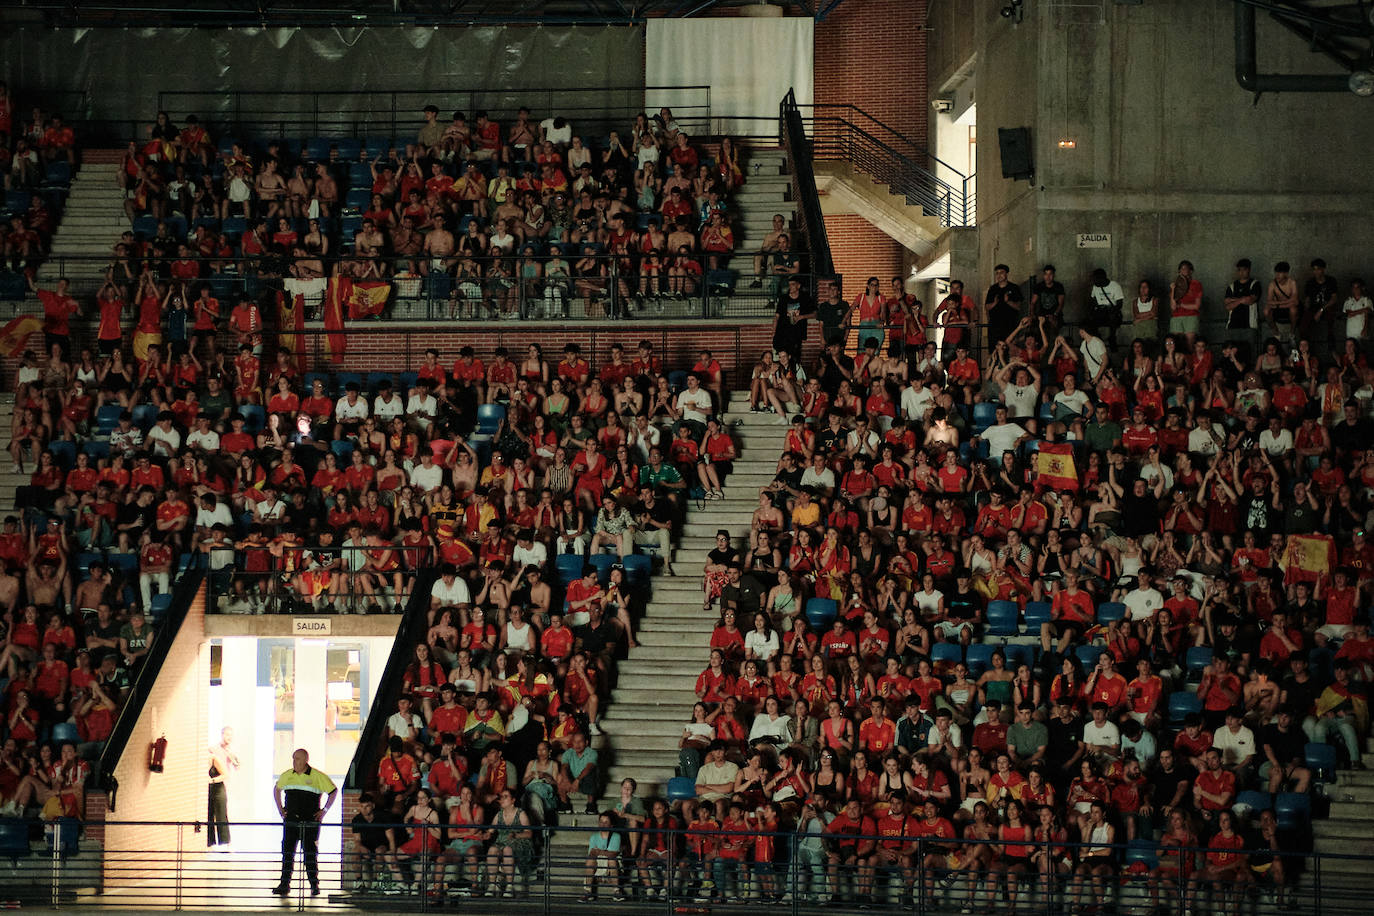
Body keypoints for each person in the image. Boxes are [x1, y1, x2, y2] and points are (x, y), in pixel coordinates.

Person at [272, 747, 337, 897]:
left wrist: (324, 811)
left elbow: (333, 792)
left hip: (310, 821)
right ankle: (284, 884)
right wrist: (280, 809)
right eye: (293, 759)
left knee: (310, 853)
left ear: (306, 760)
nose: (295, 762)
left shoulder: (318, 776)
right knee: (287, 852)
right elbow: (276, 790)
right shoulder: (287, 775)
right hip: (291, 820)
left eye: (298, 759)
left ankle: (314, 885)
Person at [207, 726, 239, 850]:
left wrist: (233, 759)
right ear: (222, 735)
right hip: (213, 783)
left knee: (223, 813)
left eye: (231, 735)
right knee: (210, 813)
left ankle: (226, 842)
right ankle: (210, 842)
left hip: (224, 784)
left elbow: (237, 766)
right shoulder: (213, 749)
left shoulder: (231, 751)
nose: (229, 738)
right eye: (227, 735)